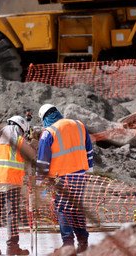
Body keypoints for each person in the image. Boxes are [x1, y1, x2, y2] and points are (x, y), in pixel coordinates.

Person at [36, 103, 94, 254]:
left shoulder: (49, 132)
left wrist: (39, 182)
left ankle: (68, 244)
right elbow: (89, 148)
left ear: (45, 118)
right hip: (80, 174)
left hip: (62, 177)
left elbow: (43, 161)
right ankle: (83, 241)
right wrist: (90, 168)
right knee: (76, 208)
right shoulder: (78, 124)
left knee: (63, 209)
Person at [0, 115, 31, 255]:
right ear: (20, 128)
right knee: (12, 213)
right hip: (12, 181)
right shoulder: (18, 139)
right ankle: (12, 246)